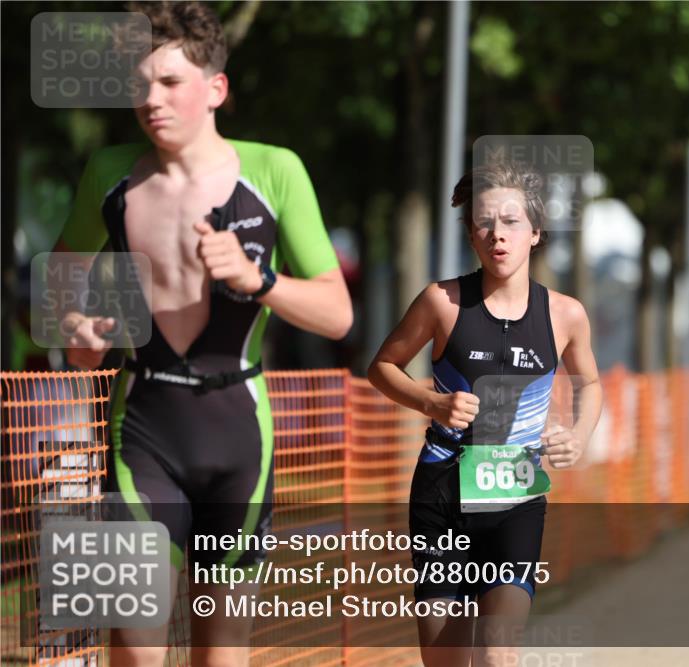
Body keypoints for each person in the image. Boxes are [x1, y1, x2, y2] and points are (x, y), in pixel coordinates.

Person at [52, 3, 352, 665]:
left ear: (215, 88)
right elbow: (61, 279)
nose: (149, 100)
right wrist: (76, 330)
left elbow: (338, 314)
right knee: (133, 644)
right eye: (139, 85)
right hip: (143, 428)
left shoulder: (275, 171)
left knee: (221, 650)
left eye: (168, 82)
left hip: (238, 435)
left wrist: (260, 281)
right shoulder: (110, 173)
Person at [367, 161, 603, 667]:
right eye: (484, 222)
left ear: (536, 232)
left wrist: (579, 434)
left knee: (499, 653)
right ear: (471, 233)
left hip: (516, 494)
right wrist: (430, 402)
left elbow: (591, 382)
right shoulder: (441, 303)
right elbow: (382, 367)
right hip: (442, 492)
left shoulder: (565, 314)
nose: (498, 235)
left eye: (512, 221)